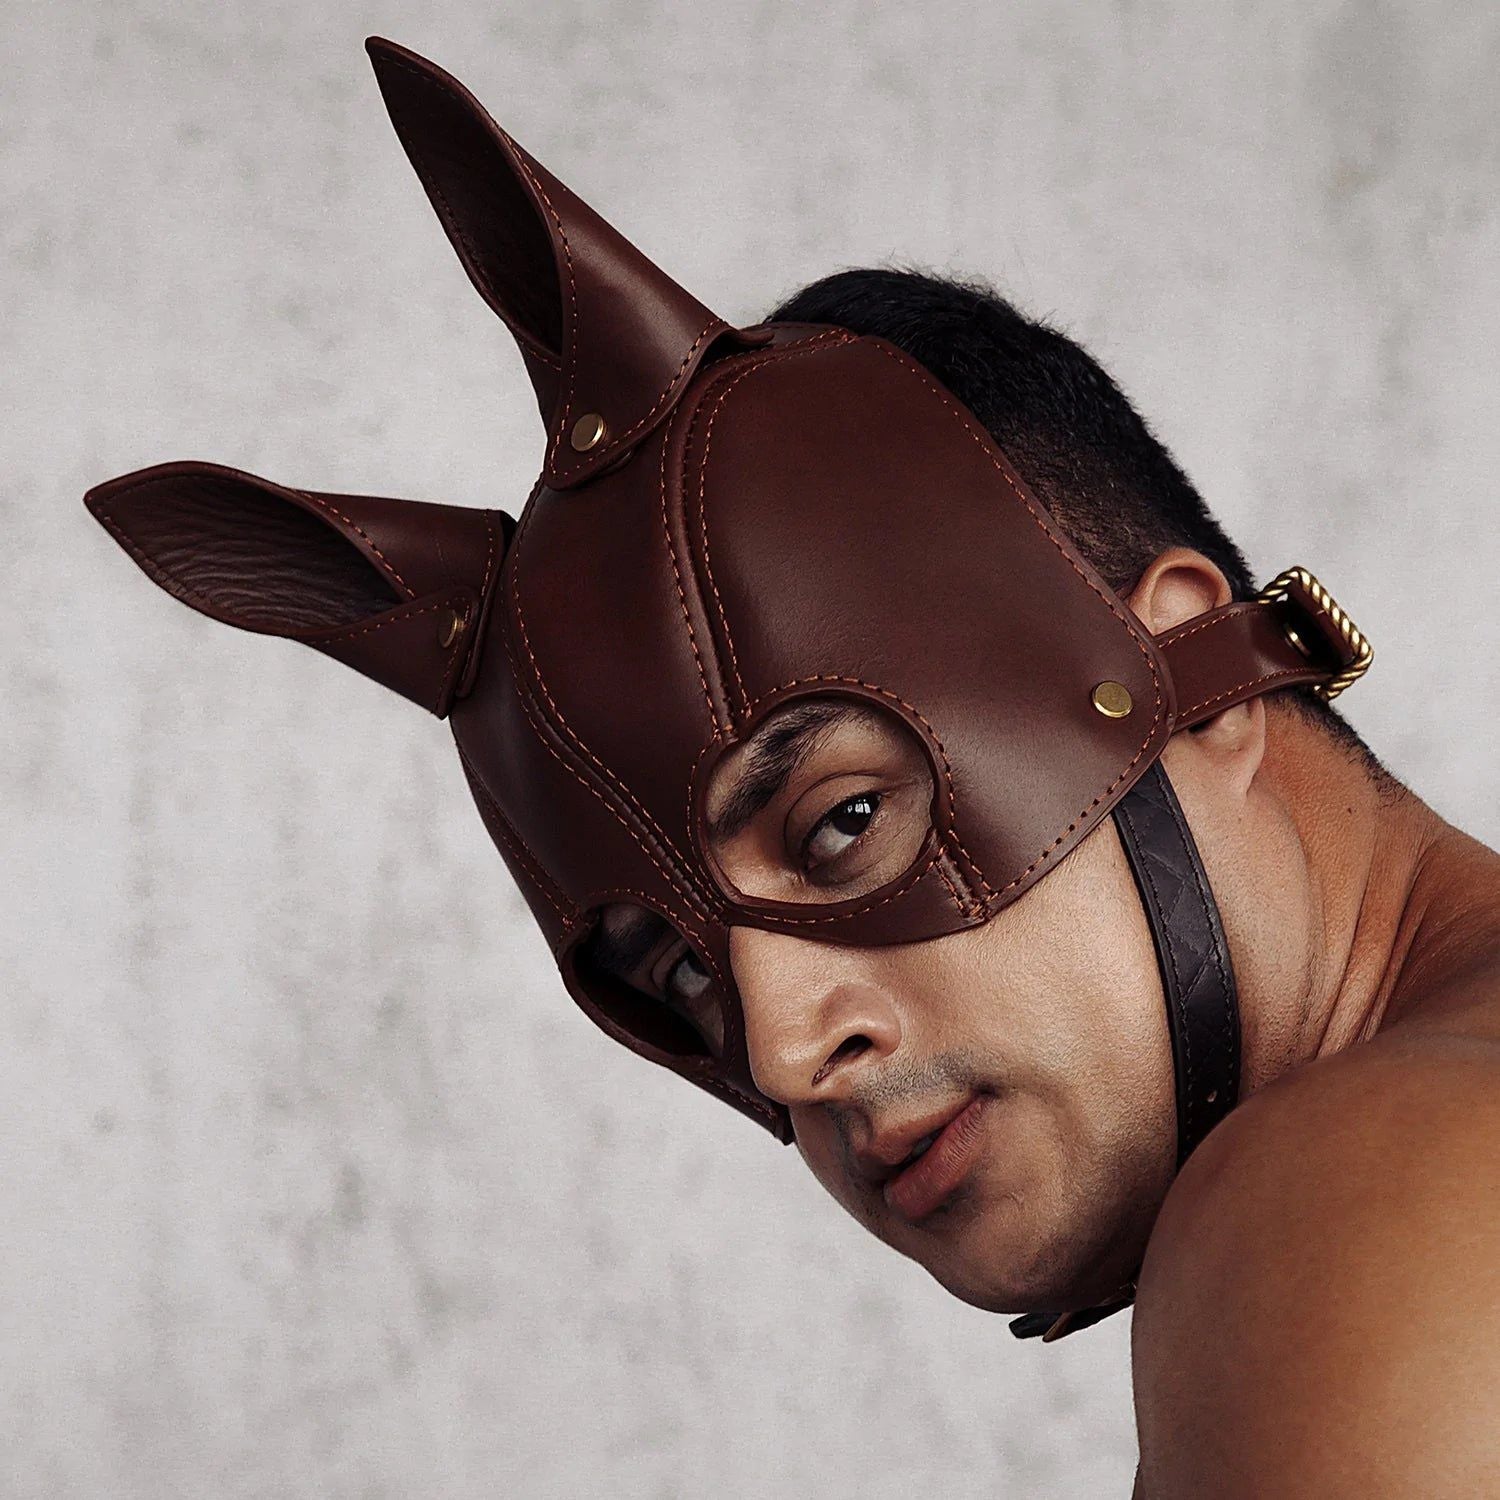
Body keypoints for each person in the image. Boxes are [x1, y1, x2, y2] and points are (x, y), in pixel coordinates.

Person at [84, 37, 1500, 1497]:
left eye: (842, 825)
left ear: (1192, 677)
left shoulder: (1357, 1191)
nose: (780, 1051)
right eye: (686, 979)